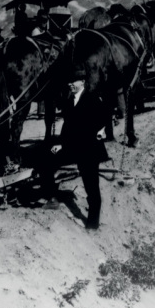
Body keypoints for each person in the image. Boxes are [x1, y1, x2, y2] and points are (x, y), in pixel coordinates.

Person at [41, 68, 109, 230]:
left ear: (83, 82)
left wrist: (101, 130)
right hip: (74, 147)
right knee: (46, 158)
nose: (70, 84)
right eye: (69, 82)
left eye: (74, 81)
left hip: (89, 149)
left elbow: (99, 121)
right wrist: (61, 144)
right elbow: (68, 126)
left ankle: (93, 223)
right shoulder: (71, 100)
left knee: (91, 186)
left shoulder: (92, 98)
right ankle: (52, 198)